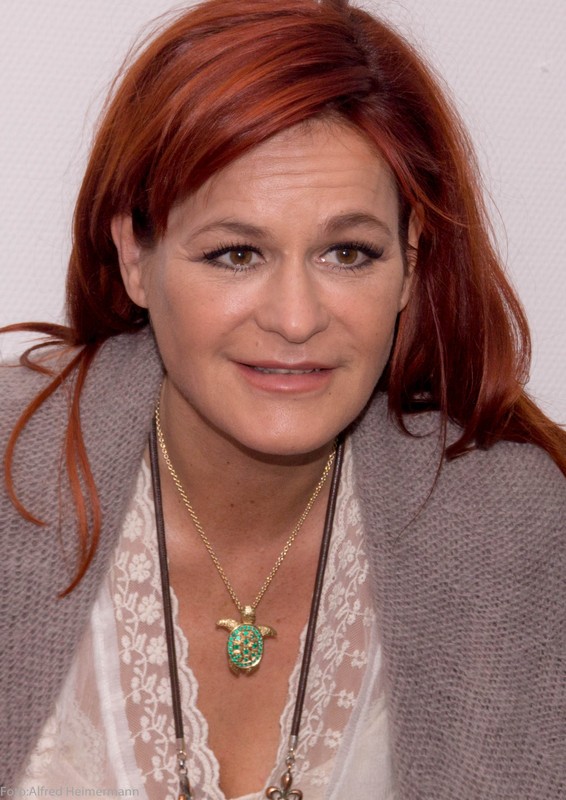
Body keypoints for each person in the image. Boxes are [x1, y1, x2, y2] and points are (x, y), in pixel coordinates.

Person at [1, 0, 564, 798]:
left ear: (410, 261)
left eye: (348, 252)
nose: (296, 319)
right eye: (237, 253)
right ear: (134, 257)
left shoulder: (508, 531)